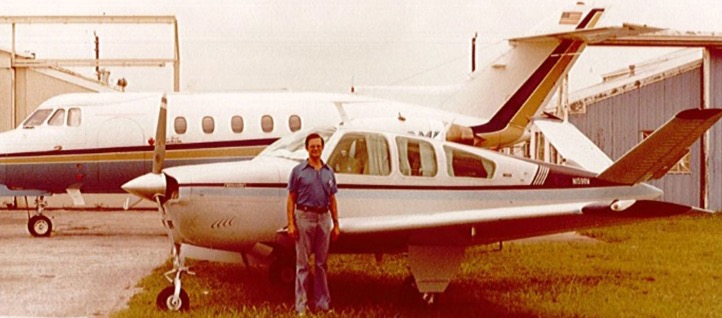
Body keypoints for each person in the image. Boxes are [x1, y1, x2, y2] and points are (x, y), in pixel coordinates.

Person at [286, 133, 341, 315]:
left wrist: (336, 223)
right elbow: (291, 199)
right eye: (312, 146)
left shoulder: (328, 172)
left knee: (321, 264)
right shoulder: (298, 171)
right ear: (307, 148)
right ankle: (301, 306)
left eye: (318, 146)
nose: (315, 149)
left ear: (322, 148)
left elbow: (332, 199)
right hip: (304, 217)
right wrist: (291, 224)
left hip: (323, 218)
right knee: (302, 264)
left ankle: (323, 303)